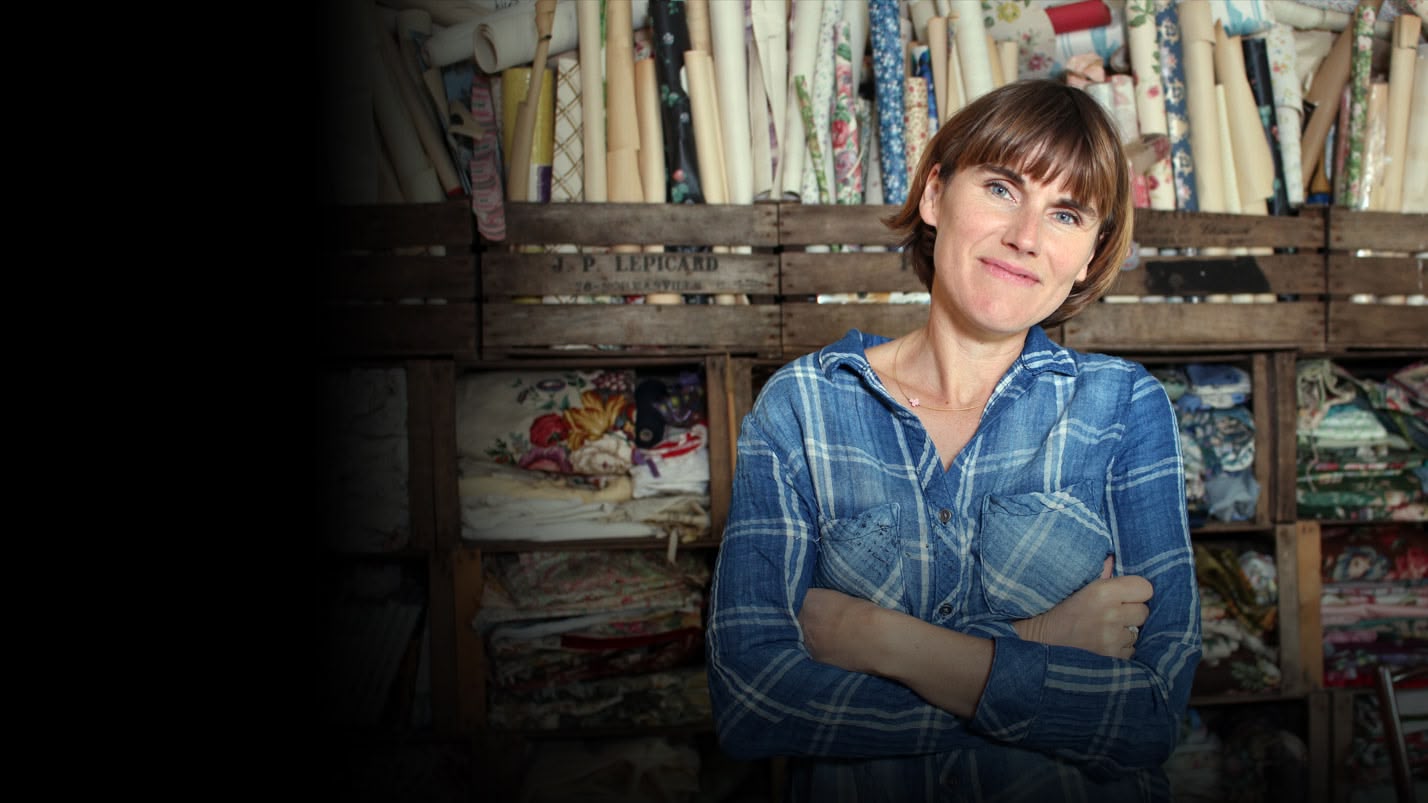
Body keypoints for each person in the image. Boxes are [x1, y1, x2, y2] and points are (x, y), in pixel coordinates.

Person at [704, 79, 1202, 802]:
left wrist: (883, 640)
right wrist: (1040, 644)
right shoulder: (805, 405)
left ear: (1092, 254)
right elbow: (753, 702)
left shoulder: (1122, 407)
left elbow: (1151, 715)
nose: (1026, 236)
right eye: (1002, 188)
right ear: (936, 195)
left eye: (1065, 213)